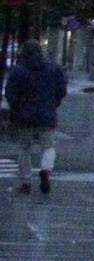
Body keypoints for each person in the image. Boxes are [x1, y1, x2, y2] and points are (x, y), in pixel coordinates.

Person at [4, 40, 67, 195]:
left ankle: (25, 182)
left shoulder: (18, 70)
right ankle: (46, 170)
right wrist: (54, 104)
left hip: (24, 116)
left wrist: (16, 108)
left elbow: (10, 93)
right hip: (47, 115)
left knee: (24, 148)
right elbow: (62, 90)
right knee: (48, 147)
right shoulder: (54, 69)